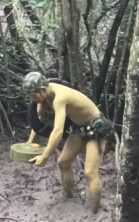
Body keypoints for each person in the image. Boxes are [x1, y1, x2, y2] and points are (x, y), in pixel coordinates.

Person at [22, 72, 114, 213]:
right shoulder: (45, 95)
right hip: (80, 128)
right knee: (63, 162)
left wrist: (44, 157)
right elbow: (38, 120)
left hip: (96, 127)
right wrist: (29, 142)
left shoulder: (59, 98)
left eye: (33, 96)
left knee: (90, 172)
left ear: (42, 90)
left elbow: (58, 131)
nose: (32, 99)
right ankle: (69, 198)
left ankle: (95, 211)